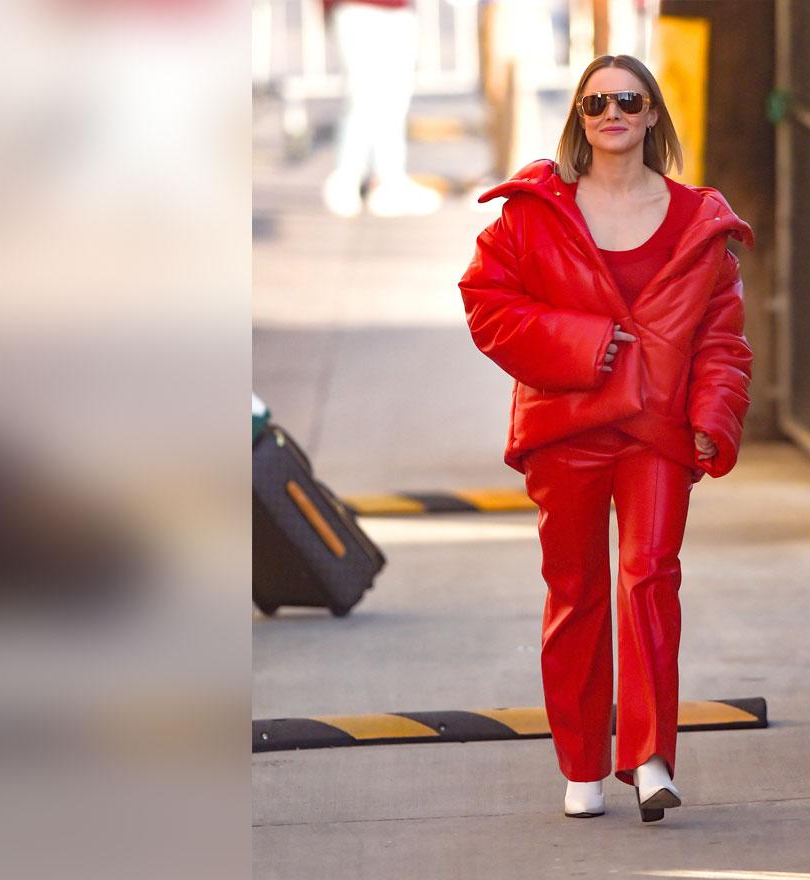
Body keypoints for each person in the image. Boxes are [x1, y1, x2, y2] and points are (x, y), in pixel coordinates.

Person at [457, 54, 753, 823]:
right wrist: (585, 343)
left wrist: (713, 417)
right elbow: (487, 303)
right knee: (576, 592)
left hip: (654, 433)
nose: (612, 113)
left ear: (654, 114)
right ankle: (582, 763)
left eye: (629, 99)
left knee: (651, 580)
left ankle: (650, 756)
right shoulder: (534, 212)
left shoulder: (697, 219)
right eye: (596, 103)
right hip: (567, 428)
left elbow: (723, 339)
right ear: (578, 119)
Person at [320, 0, 442, 218]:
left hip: (398, 9)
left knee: (395, 100)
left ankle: (388, 180)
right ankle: (348, 178)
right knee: (362, 97)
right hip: (355, 7)